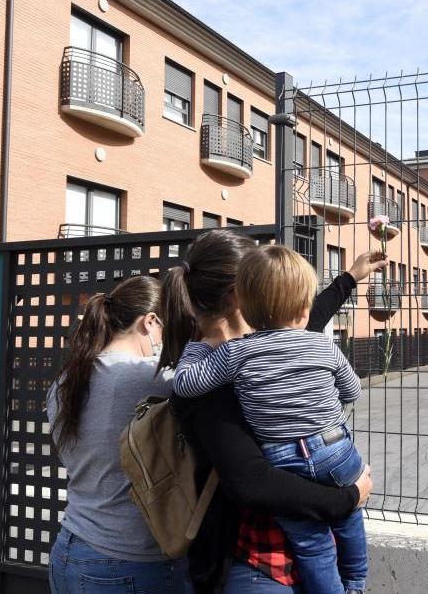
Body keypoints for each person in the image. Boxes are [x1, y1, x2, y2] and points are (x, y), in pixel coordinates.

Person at [160, 229, 386, 593]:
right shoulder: (215, 380)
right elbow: (252, 482)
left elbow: (308, 316)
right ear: (240, 296)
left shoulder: (256, 350)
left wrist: (350, 277)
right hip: (260, 569)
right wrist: (347, 499)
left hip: (288, 564)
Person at [46, 275, 194, 594]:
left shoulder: (65, 382)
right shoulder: (144, 378)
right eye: (167, 329)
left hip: (70, 547)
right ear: (150, 321)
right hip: (127, 561)